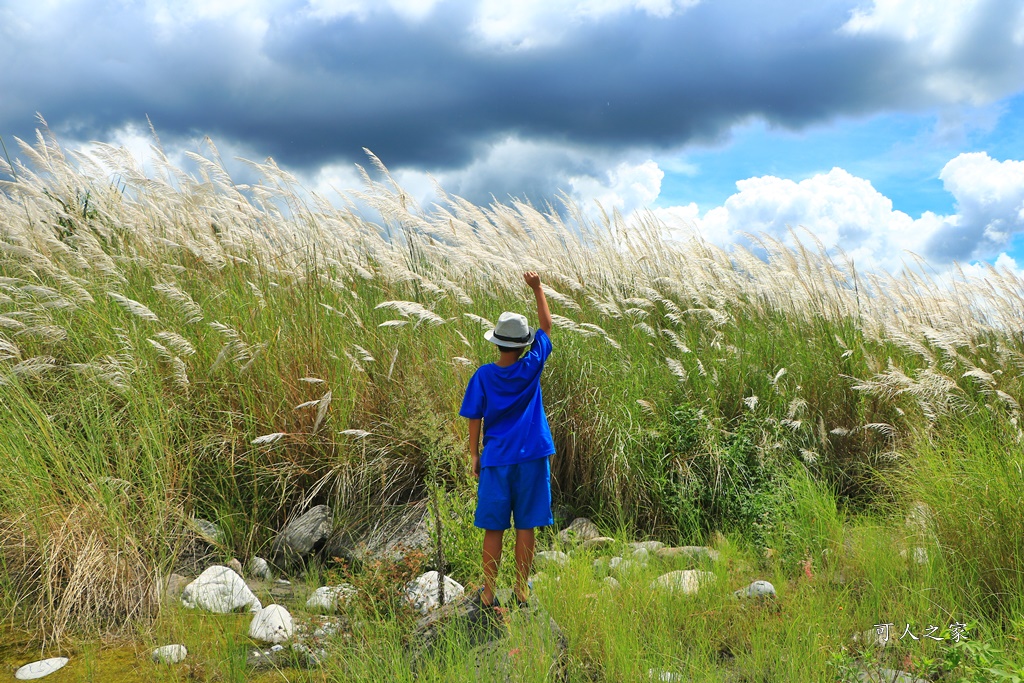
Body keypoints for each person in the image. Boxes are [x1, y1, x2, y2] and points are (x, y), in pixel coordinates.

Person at [459, 271, 555, 611]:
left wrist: (473, 455)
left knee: (493, 527)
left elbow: (475, 417)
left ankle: (488, 591)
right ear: (523, 344)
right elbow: (547, 326)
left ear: (497, 342)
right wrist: (537, 288)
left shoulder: (484, 375)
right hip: (532, 456)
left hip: (497, 459)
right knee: (527, 524)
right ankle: (521, 589)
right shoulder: (531, 365)